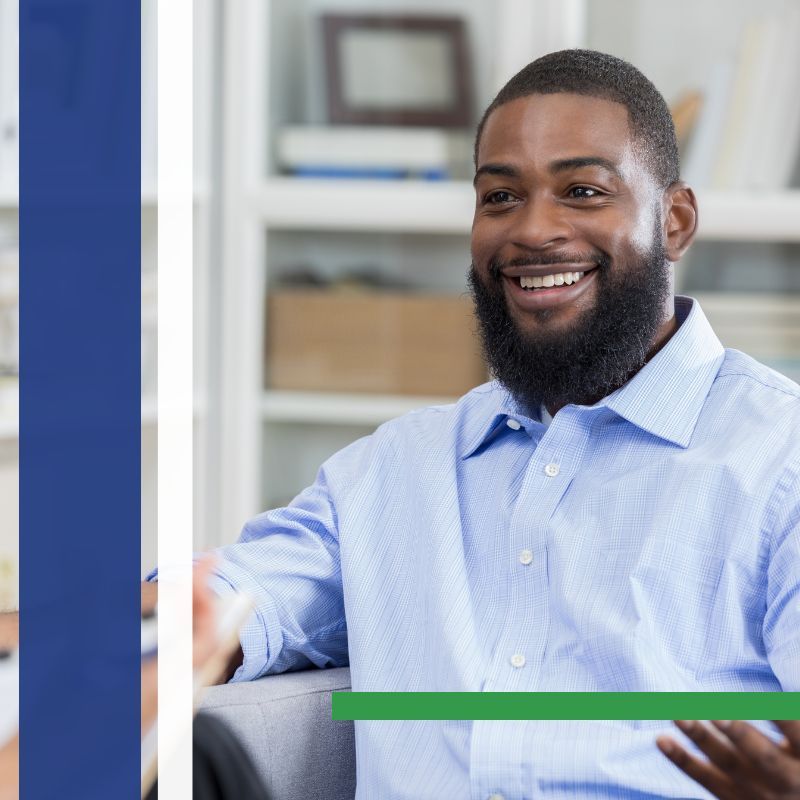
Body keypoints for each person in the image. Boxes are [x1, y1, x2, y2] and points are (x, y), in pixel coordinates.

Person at [174, 49, 800, 798]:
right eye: (499, 197)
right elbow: (218, 603)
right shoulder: (394, 470)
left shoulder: (780, 463)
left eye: (582, 190)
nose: (534, 230)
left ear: (675, 220)